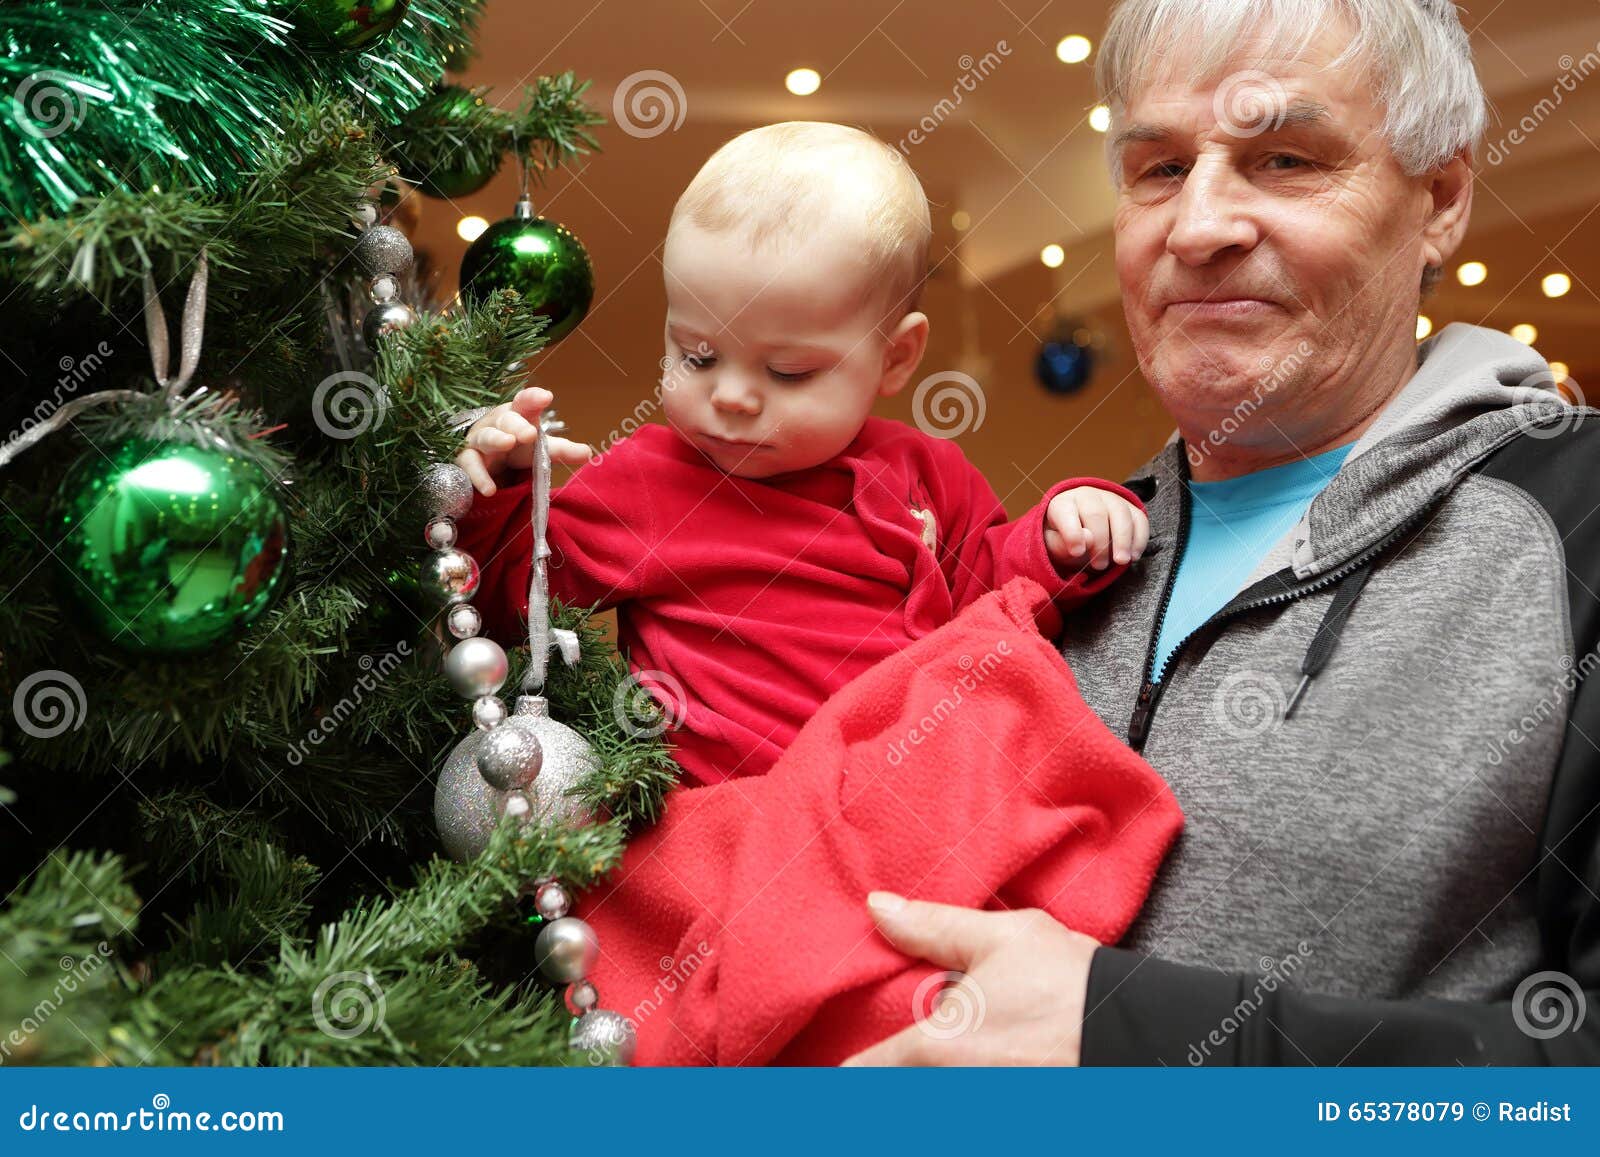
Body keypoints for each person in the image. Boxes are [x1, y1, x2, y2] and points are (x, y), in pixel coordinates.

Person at [845, 0, 1600, 1065]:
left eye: (1284, 159)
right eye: (1157, 169)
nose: (1197, 227)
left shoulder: (1579, 522)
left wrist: (1138, 1038)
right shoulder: (1049, 560)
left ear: (1438, 198)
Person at [453, 121, 1147, 786]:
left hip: (911, 782)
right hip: (733, 807)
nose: (731, 396)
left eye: (786, 372)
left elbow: (993, 593)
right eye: (697, 355)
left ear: (896, 356)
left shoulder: (927, 473)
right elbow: (512, 602)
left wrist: (1058, 536)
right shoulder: (646, 481)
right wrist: (502, 484)